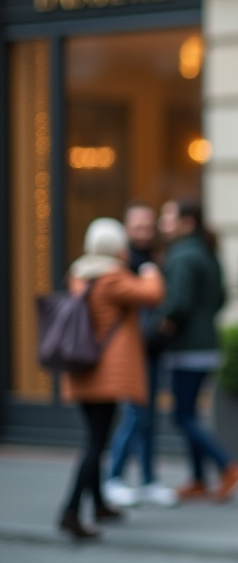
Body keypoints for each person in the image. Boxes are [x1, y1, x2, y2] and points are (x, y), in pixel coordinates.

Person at [58, 218, 164, 539]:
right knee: (96, 443)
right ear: (116, 246)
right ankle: (71, 511)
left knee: (95, 437)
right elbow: (152, 294)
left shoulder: (79, 275)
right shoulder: (112, 277)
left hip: (82, 371)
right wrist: (150, 271)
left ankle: (99, 504)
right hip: (105, 376)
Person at [159, 198, 238, 502]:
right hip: (206, 343)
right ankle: (198, 479)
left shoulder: (182, 255)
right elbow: (221, 298)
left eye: (168, 217)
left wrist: (162, 322)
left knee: (181, 415)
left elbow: (178, 303)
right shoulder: (206, 252)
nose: (163, 223)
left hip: (187, 347)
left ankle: (230, 468)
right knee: (190, 414)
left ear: (187, 222)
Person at [104, 200, 177, 507]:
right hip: (129, 353)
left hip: (153, 348)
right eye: (138, 227)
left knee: (148, 417)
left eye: (148, 226)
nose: (145, 232)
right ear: (126, 230)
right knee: (134, 415)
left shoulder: (158, 258)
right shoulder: (120, 264)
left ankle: (147, 480)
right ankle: (114, 477)